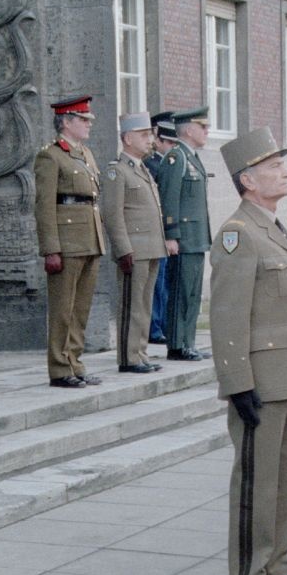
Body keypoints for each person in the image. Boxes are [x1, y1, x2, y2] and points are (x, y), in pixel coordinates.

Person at [210, 126, 287, 575]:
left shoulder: (273, 226)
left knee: (284, 474)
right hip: (261, 379)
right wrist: (237, 382)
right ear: (248, 180)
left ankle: (276, 561)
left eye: (282, 163)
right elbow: (227, 315)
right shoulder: (238, 233)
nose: (285, 171)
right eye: (274, 166)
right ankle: (247, 571)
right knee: (257, 477)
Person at [33, 96, 106, 388]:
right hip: (66, 240)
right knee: (63, 308)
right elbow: (44, 206)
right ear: (65, 122)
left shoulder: (85, 154)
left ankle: (75, 361)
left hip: (89, 236)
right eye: (82, 119)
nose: (88, 124)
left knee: (81, 307)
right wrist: (51, 248)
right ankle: (60, 367)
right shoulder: (51, 156)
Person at [101, 112, 167, 374]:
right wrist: (122, 248)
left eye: (149, 135)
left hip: (151, 246)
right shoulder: (117, 171)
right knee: (131, 304)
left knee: (144, 304)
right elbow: (112, 214)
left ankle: (140, 352)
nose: (149, 139)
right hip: (134, 248)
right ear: (127, 139)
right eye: (143, 135)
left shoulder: (142, 169)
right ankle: (128, 358)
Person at [155, 106, 214, 361]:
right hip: (183, 237)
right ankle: (177, 345)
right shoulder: (175, 158)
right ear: (189, 130)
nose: (207, 131)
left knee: (192, 293)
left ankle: (188, 341)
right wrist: (171, 234)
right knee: (181, 292)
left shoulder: (193, 158)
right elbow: (169, 198)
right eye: (203, 127)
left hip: (196, 237)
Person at [146, 110, 178, 346]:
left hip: (164, 231)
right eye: (168, 142)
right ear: (158, 140)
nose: (171, 147)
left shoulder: (167, 163)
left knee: (165, 282)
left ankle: (162, 324)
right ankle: (155, 327)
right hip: (153, 231)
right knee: (157, 284)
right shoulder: (151, 163)